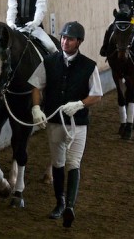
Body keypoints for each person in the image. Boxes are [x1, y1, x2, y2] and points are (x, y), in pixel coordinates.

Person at [28, 21, 103, 227]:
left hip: (77, 124)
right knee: (58, 163)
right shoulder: (49, 61)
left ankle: (69, 206)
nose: (64, 42)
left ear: (79, 41)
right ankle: (59, 203)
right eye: (63, 37)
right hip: (53, 121)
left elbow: (96, 94)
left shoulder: (89, 66)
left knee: (73, 163)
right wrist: (36, 108)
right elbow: (36, 85)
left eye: (69, 39)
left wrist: (80, 103)